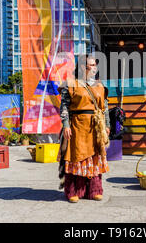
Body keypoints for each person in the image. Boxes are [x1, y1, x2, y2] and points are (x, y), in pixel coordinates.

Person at [58, 55, 110, 203]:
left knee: (95, 158)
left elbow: (104, 108)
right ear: (82, 67)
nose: (94, 68)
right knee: (76, 158)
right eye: (91, 65)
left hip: (95, 127)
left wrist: (106, 125)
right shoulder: (71, 84)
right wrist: (66, 125)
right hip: (77, 126)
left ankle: (94, 190)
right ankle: (73, 191)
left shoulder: (99, 85)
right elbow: (64, 107)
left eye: (95, 65)